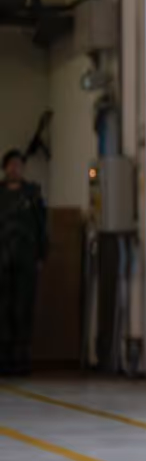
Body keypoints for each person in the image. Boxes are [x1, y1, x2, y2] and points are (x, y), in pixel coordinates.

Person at [0, 149, 47, 376]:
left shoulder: (32, 194)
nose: (14, 169)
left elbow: (42, 226)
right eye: (11, 164)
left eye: (18, 164)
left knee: (23, 308)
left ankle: (21, 359)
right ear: (5, 167)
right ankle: (4, 358)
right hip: (3, 260)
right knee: (3, 308)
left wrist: (41, 255)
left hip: (26, 259)